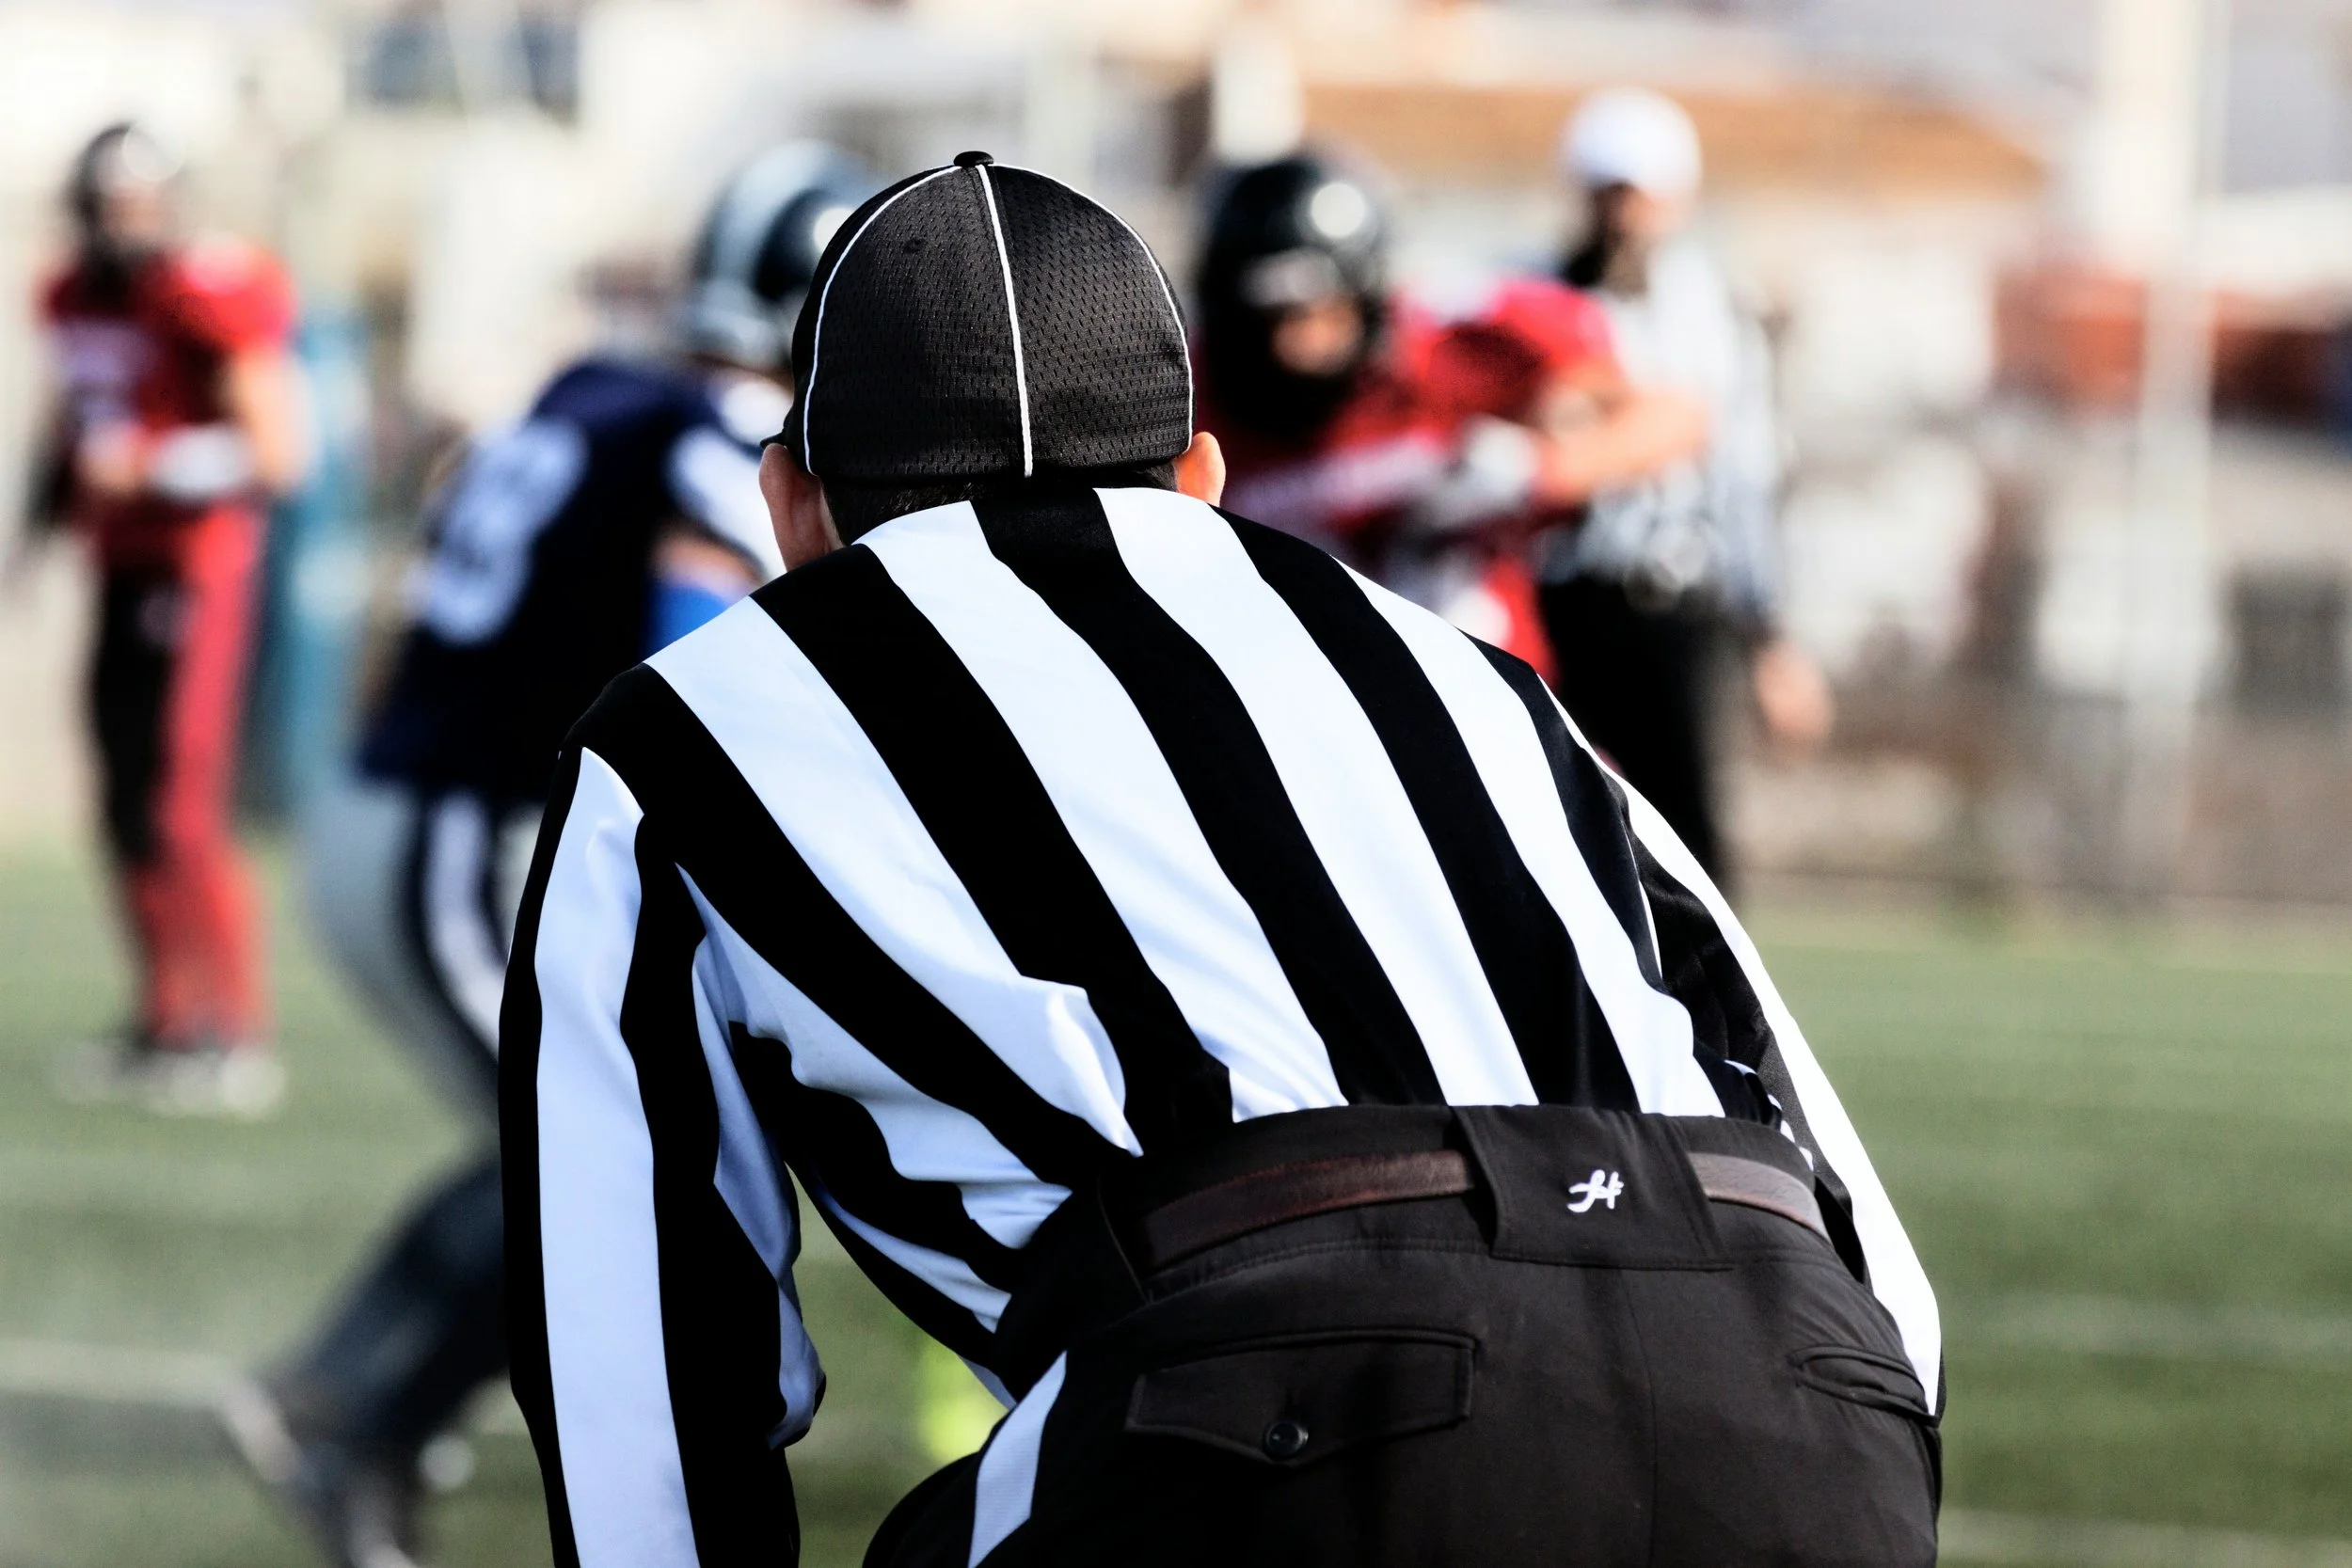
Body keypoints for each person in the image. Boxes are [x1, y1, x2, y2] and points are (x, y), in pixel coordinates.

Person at [503, 150, 1940, 1568]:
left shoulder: (682, 730)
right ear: (1201, 476)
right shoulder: (1479, 682)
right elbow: (1870, 1255)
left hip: (1267, 1394)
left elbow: (637, 1377)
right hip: (1802, 1392)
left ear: (789, 505)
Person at [214, 141, 877, 1568]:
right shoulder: (713, 422)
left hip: (407, 800)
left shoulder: (599, 389)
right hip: (449, 820)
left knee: (561, 1130)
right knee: (586, 1138)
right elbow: (687, 628)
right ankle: (349, 1413)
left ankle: (340, 1389)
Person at [28, 122, 307, 1116]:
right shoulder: (67, 292)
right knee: (118, 800)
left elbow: (278, 457)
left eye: (140, 203)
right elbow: (70, 422)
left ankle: (233, 1031)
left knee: (183, 804)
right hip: (119, 564)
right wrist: (37, 528)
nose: (125, 224)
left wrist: (149, 466)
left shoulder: (206, 290)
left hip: (199, 566)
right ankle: (164, 1021)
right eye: (110, 204)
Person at [1194, 153, 1708, 676]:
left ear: (1367, 296)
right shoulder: (1189, 399)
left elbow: (1673, 416)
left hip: (1482, 697)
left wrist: (1540, 469)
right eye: (1270, 319)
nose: (1298, 347)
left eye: (1323, 315)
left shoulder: (1444, 342)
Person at [1547, 87, 1834, 884]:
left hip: (1667, 606)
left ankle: (1702, 1010)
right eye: (1608, 194)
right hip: (1554, 599)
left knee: (1686, 847)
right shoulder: (1535, 295)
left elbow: (1748, 482)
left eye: (1637, 196)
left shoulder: (1712, 313)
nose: (1622, 216)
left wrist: (1771, 638)